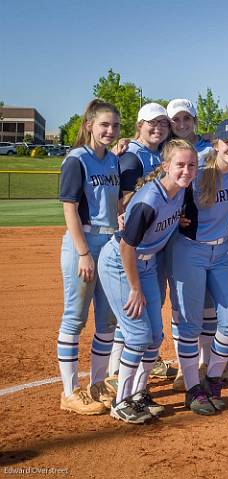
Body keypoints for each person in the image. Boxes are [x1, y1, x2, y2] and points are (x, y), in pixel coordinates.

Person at [98, 139, 197, 424]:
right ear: (165, 166)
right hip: (121, 264)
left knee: (155, 337)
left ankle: (139, 393)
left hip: (147, 262)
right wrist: (135, 288)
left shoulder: (180, 191)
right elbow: (126, 247)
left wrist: (178, 222)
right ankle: (121, 402)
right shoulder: (149, 200)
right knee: (139, 336)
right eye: (180, 165)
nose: (187, 170)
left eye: (191, 165)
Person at [171, 120, 228, 415]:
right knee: (190, 324)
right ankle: (192, 388)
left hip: (222, 251)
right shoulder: (199, 169)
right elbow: (164, 186)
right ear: (216, 143)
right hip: (190, 250)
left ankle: (212, 379)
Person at [56, 99, 121, 415]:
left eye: (115, 125)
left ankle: (97, 384)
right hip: (83, 242)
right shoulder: (76, 160)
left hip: (109, 244)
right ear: (89, 126)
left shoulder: (112, 160)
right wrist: (83, 253)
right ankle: (69, 392)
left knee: (107, 319)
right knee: (75, 316)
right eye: (104, 125)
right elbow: (69, 208)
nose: (110, 130)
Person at [165, 99, 228, 390]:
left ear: (195, 120)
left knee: (214, 314)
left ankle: (210, 366)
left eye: (187, 119)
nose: (182, 124)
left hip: (219, 248)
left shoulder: (211, 149)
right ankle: (186, 371)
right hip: (183, 243)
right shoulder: (165, 151)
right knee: (183, 311)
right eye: (176, 119)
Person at [106, 103, 174, 392]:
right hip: (131, 243)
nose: (157, 127)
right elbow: (124, 203)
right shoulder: (131, 155)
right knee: (132, 313)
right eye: (151, 123)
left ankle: (143, 362)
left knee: (149, 309)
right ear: (139, 124)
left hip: (153, 245)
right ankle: (114, 373)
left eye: (162, 123)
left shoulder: (162, 151)